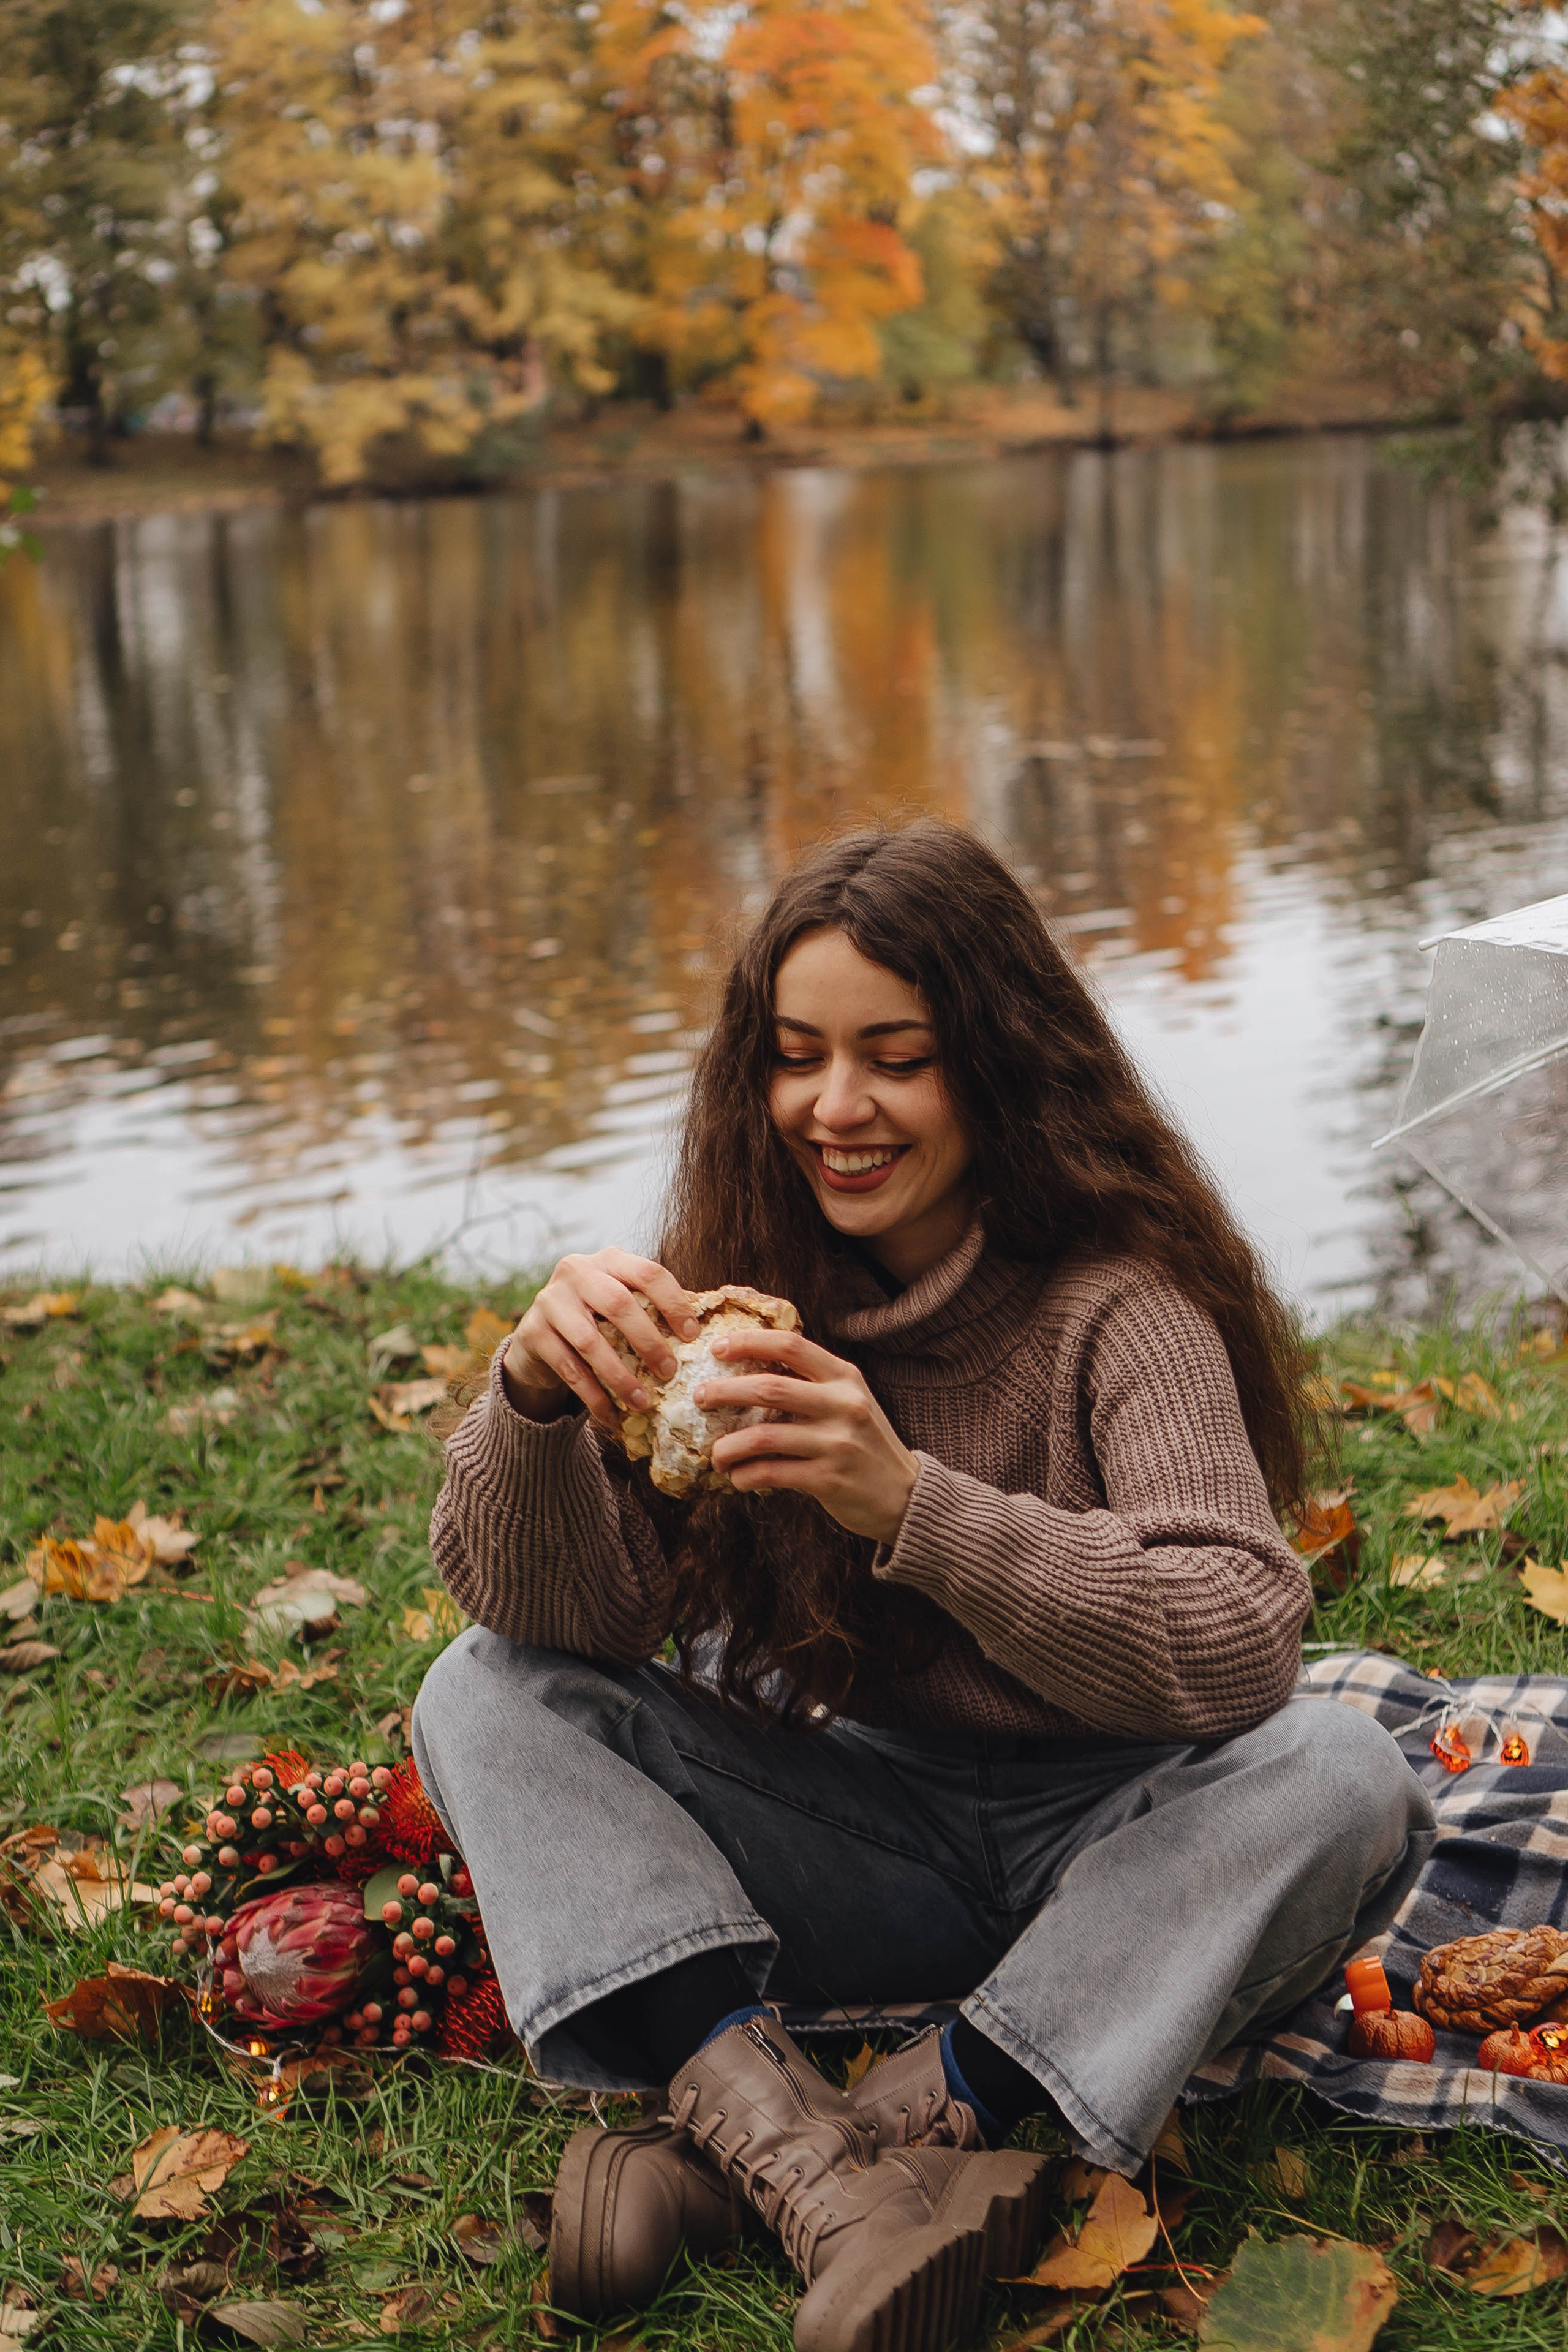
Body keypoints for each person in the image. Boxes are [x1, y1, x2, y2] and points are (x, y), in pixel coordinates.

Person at [412, 822, 1435, 2352]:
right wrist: (534, 1408)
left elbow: (1237, 1649)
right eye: (796, 1055)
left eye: (895, 1057)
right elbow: (575, 1625)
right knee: (479, 1693)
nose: (835, 1108)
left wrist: (908, 1501)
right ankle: (811, 2170)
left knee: (1346, 1773)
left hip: (1128, 1846)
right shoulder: (734, 1289)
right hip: (858, 1838)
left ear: (995, 1064)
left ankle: (907, 2124)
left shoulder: (1120, 1309)